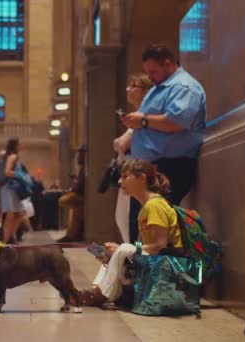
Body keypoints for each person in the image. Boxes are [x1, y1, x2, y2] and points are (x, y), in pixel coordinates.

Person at [121, 45, 206, 242]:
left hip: (170, 166)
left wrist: (142, 120)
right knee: (140, 223)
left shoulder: (184, 87)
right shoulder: (160, 87)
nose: (149, 77)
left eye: (153, 71)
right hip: (151, 166)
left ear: (168, 64)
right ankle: (139, 268)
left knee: (155, 226)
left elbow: (177, 121)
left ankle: (153, 269)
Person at [75, 159, 182, 307]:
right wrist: (116, 253)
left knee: (124, 249)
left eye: (125, 176)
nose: (120, 181)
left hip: (168, 269)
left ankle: (101, 294)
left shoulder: (155, 205)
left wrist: (122, 250)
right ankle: (95, 291)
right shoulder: (145, 208)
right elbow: (143, 246)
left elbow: (160, 246)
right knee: (117, 252)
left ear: (142, 178)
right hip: (153, 264)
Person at [113, 74, 153, 242]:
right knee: (124, 215)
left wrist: (118, 142)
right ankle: (131, 251)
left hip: (138, 171)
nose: (128, 89)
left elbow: (121, 144)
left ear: (145, 91)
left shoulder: (145, 114)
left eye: (134, 86)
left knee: (131, 215)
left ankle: (133, 254)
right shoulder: (137, 115)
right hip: (131, 169)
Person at [0, 138, 30, 244]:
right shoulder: (13, 156)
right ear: (15, 146)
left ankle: (10, 237)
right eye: (19, 144)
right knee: (11, 214)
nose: (21, 145)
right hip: (9, 188)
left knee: (19, 214)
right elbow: (7, 172)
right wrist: (20, 175)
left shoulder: (14, 157)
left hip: (13, 189)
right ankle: (5, 241)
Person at [56, 144, 86, 242]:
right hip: (80, 196)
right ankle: (72, 234)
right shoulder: (83, 168)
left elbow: (80, 185)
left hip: (82, 196)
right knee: (74, 209)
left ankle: (71, 234)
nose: (78, 157)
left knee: (67, 202)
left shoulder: (86, 167)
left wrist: (73, 189)